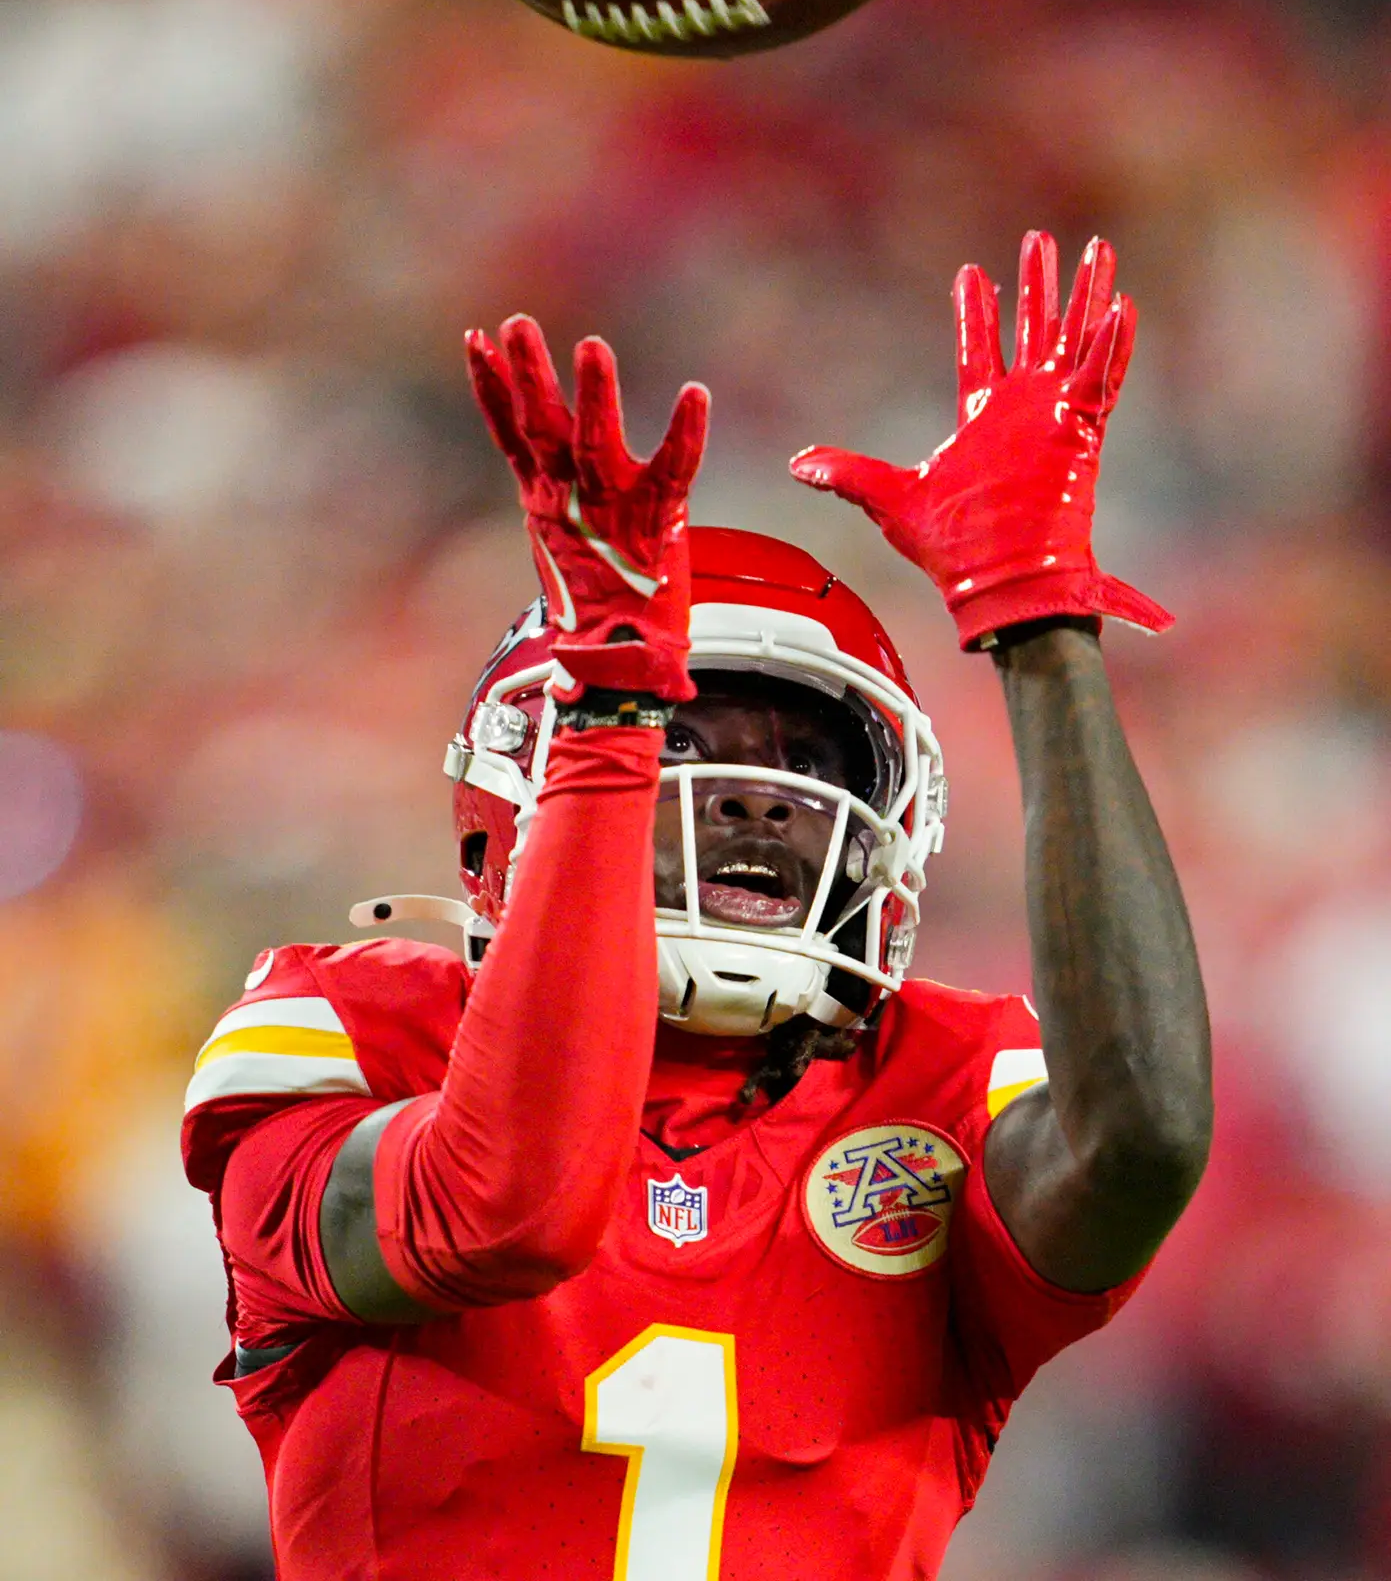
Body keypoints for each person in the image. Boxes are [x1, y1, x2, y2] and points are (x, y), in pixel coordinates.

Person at [182, 230, 1212, 1581]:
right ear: (524, 790)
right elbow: (504, 1209)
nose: (759, 800)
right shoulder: (355, 1023)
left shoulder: (938, 1084)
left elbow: (1141, 1143)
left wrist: (1040, 626)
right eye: (690, 742)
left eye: (803, 767)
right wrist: (615, 705)